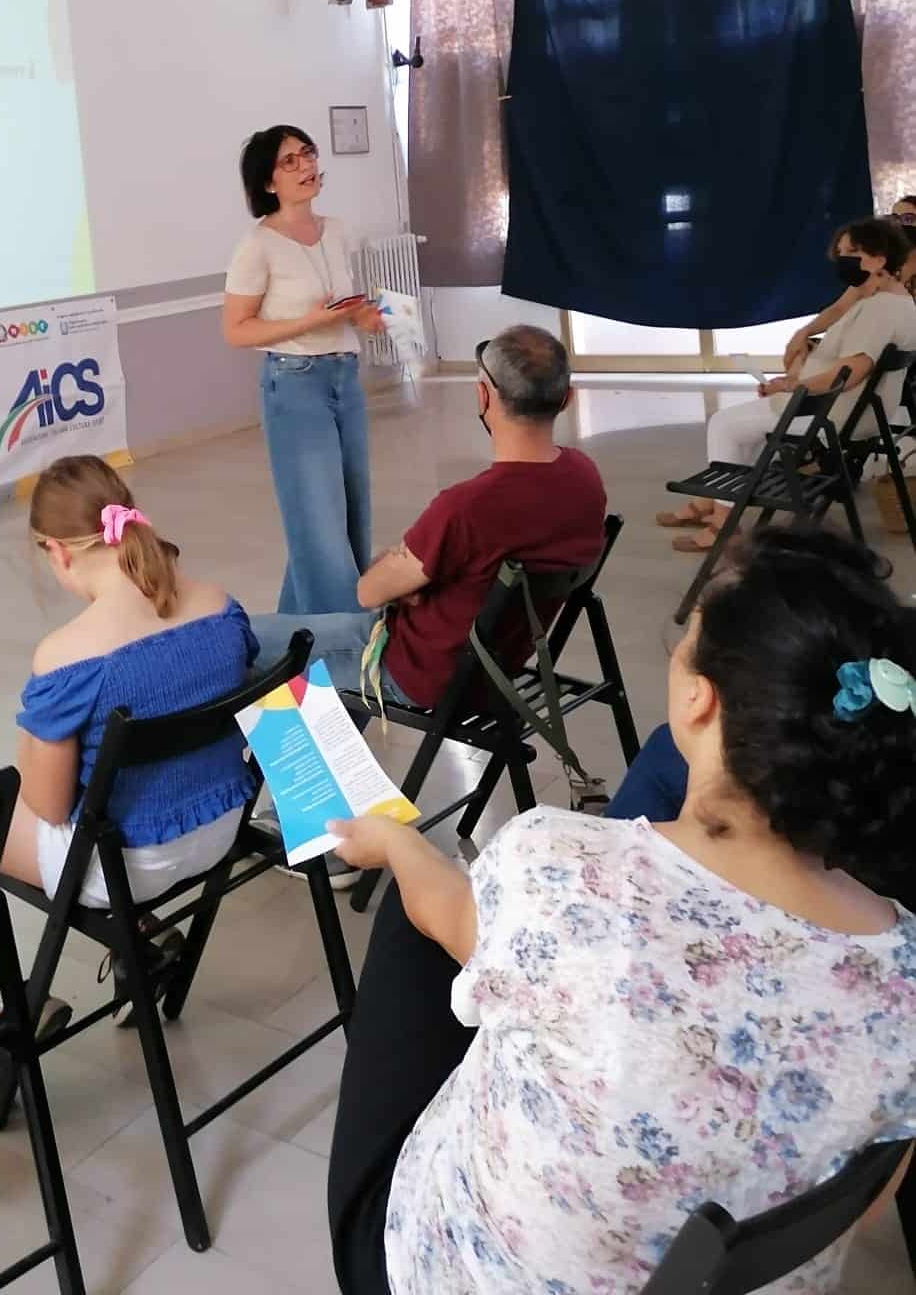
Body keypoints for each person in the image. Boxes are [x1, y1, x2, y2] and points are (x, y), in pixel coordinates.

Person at [323, 525, 916, 1295]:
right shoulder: (904, 969)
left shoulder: (561, 866)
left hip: (450, 1273)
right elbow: (871, 1203)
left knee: (417, 921)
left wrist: (399, 846)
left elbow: (449, 920)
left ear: (700, 698)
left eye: (688, 635)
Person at [0, 455, 259, 1104]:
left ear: (56, 552)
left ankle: (1, 1006)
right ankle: (140, 937)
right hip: (221, 829)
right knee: (113, 792)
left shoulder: (68, 656)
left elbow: (48, 806)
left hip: (123, 864)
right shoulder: (220, 607)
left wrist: (31, 734)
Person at [249, 326, 606, 721]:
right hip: (495, 669)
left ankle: (283, 760)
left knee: (230, 645)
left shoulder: (467, 507)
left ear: (483, 396)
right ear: (568, 398)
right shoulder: (585, 477)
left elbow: (368, 591)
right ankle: (291, 756)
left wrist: (408, 578)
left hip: (416, 671)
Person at [665, 217, 916, 551]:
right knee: (747, 432)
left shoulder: (880, 310)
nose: (843, 260)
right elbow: (846, 351)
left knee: (724, 424)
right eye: (841, 253)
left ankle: (723, 526)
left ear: (879, 259)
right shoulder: (895, 301)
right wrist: (798, 371)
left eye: (852, 253)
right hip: (851, 410)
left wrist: (790, 386)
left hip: (831, 413)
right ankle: (714, 508)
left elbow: (849, 372)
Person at [223, 125, 385, 614]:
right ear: (268, 182)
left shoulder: (335, 230)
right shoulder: (258, 245)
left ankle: (293, 635)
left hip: (343, 377)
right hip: (294, 383)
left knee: (350, 515)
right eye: (289, 161)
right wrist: (310, 322)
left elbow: (339, 304)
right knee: (318, 519)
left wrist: (363, 316)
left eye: (308, 154)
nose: (305, 166)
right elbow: (236, 330)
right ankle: (343, 639)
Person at [781, 214, 916, 374]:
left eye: (908, 217)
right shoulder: (872, 279)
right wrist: (804, 333)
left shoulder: (887, 300)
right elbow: (839, 308)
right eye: (894, 216)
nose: (899, 223)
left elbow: (856, 367)